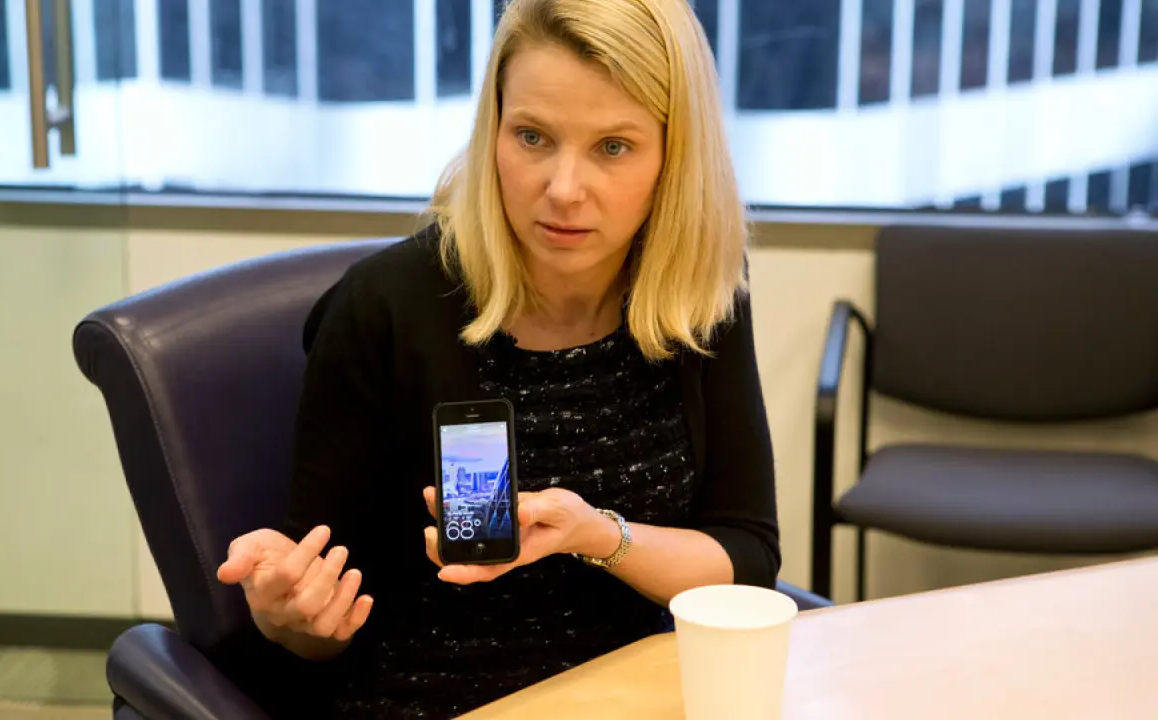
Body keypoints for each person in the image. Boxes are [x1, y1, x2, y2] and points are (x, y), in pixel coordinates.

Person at [216, 0, 780, 716]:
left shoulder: (699, 294)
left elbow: (745, 560)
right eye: (532, 137)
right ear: (493, 132)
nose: (564, 189)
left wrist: (596, 535)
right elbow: (323, 633)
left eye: (613, 147)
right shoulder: (384, 308)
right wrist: (289, 615)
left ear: (676, 156)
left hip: (645, 694)